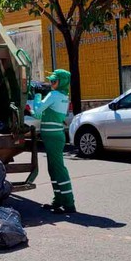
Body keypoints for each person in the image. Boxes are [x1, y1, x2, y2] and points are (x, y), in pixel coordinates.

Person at [33, 69, 76, 214]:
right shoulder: (63, 96)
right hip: (56, 135)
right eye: (50, 81)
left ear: (61, 82)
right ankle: (58, 200)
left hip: (52, 136)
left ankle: (69, 203)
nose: (51, 83)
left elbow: (37, 111)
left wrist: (37, 96)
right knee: (53, 168)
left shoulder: (54, 95)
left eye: (54, 81)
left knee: (58, 168)